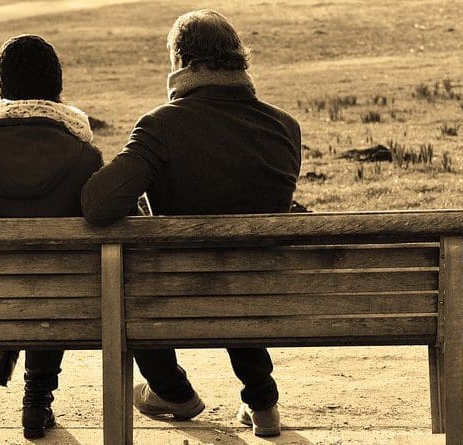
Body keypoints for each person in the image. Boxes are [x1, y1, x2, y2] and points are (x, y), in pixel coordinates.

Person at [80, 9, 302, 437]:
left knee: (129, 270)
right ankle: (262, 400)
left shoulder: (161, 126)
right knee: (240, 258)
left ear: (181, 62)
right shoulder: (285, 127)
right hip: (265, 293)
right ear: (239, 60)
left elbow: (97, 203)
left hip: (178, 293)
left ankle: (172, 391)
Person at [0, 34, 103, 440]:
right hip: (62, 299)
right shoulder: (85, 156)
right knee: (54, 280)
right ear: (58, 89)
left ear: (2, 89)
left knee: (21, 278)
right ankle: (37, 399)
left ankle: (6, 346)